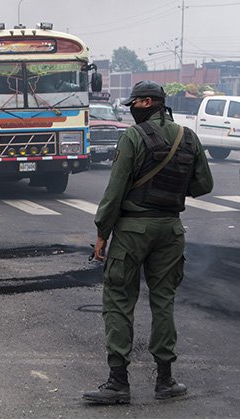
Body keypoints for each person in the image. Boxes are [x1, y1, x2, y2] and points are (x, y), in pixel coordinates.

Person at [83, 81, 213, 405]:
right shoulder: (188, 137)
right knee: (163, 302)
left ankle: (118, 383)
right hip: (170, 231)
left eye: (133, 105)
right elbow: (204, 184)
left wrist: (102, 234)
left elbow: (114, 193)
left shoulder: (132, 137)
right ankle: (165, 381)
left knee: (118, 300)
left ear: (146, 102)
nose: (131, 110)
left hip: (132, 231)